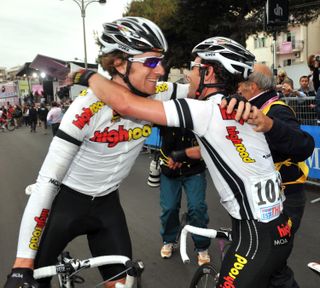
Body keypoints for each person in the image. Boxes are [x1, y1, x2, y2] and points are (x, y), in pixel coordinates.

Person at [74, 36, 294, 288]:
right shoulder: (241, 110)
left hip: (255, 238)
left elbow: (125, 104)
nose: (189, 74)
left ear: (208, 72)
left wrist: (90, 77)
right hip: (280, 228)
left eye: (194, 66)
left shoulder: (205, 110)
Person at [4, 17, 194, 288]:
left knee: (123, 284)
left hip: (107, 205)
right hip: (66, 203)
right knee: (31, 280)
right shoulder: (84, 109)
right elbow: (47, 182)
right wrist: (22, 265)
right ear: (119, 63)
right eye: (151, 62)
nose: (161, 70)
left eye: (161, 61)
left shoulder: (159, 93)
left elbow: (200, 91)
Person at [237, 63, 315, 288]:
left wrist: (271, 126)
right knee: (264, 267)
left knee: (273, 268)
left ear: (252, 86)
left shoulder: (276, 109)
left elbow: (303, 145)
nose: (237, 89)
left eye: (241, 83)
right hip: (263, 199)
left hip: (285, 198)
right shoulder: (252, 106)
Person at [158, 125, 210, 266]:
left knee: (197, 207)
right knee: (169, 207)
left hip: (194, 169)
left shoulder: (203, 109)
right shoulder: (167, 106)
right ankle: (168, 240)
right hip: (169, 168)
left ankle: (202, 247)